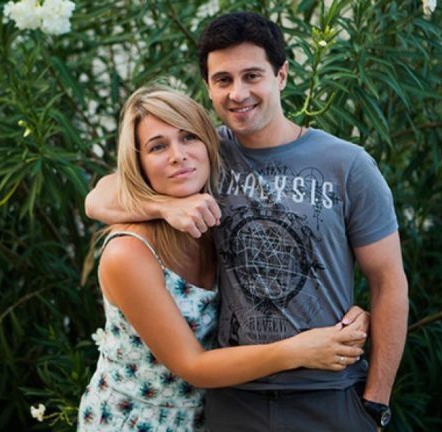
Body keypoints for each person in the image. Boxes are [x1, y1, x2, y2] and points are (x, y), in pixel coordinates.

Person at [85, 12, 409, 431]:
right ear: (208, 87)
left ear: (282, 75)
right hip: (234, 400)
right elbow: (100, 196)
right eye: (223, 80)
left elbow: (389, 283)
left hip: (327, 390)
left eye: (252, 76)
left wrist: (376, 403)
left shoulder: (347, 165)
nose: (238, 93)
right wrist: (162, 207)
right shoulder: (203, 154)